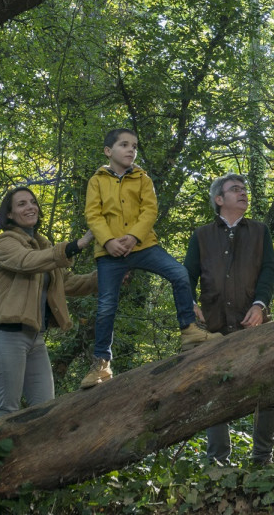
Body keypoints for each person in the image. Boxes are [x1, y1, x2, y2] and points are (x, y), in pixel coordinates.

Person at [81, 127, 219, 388]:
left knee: (179, 274)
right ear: (108, 151)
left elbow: (149, 210)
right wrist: (110, 241)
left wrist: (133, 237)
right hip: (109, 252)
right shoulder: (97, 180)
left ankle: (189, 330)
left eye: (134, 145)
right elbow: (93, 215)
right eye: (124, 145)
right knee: (106, 307)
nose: (131, 149)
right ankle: (101, 365)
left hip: (143, 245)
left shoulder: (142, 178)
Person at [184, 173, 274, 465]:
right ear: (219, 199)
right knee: (215, 390)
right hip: (213, 327)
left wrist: (261, 305)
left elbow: (269, 271)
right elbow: (185, 276)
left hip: (254, 324)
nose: (243, 193)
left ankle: (263, 458)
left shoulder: (260, 231)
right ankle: (218, 461)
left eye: (244, 189)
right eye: (235, 189)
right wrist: (187, 304)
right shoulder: (201, 235)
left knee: (266, 387)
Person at [0, 186, 97, 420]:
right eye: (22, 204)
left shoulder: (44, 247)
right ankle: (0, 456)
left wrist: (106, 277)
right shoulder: (4, 244)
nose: (30, 207)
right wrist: (76, 245)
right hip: (6, 335)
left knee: (45, 412)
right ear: (9, 214)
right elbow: (27, 262)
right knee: (6, 412)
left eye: (33, 202)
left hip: (35, 338)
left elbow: (68, 283)